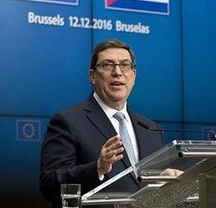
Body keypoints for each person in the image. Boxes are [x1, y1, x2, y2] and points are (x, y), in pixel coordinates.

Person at [40, 39, 164, 208]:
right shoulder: (68, 121)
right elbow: (49, 185)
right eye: (107, 65)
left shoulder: (150, 129)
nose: (117, 72)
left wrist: (172, 183)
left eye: (125, 65)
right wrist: (97, 168)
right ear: (92, 76)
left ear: (133, 76)